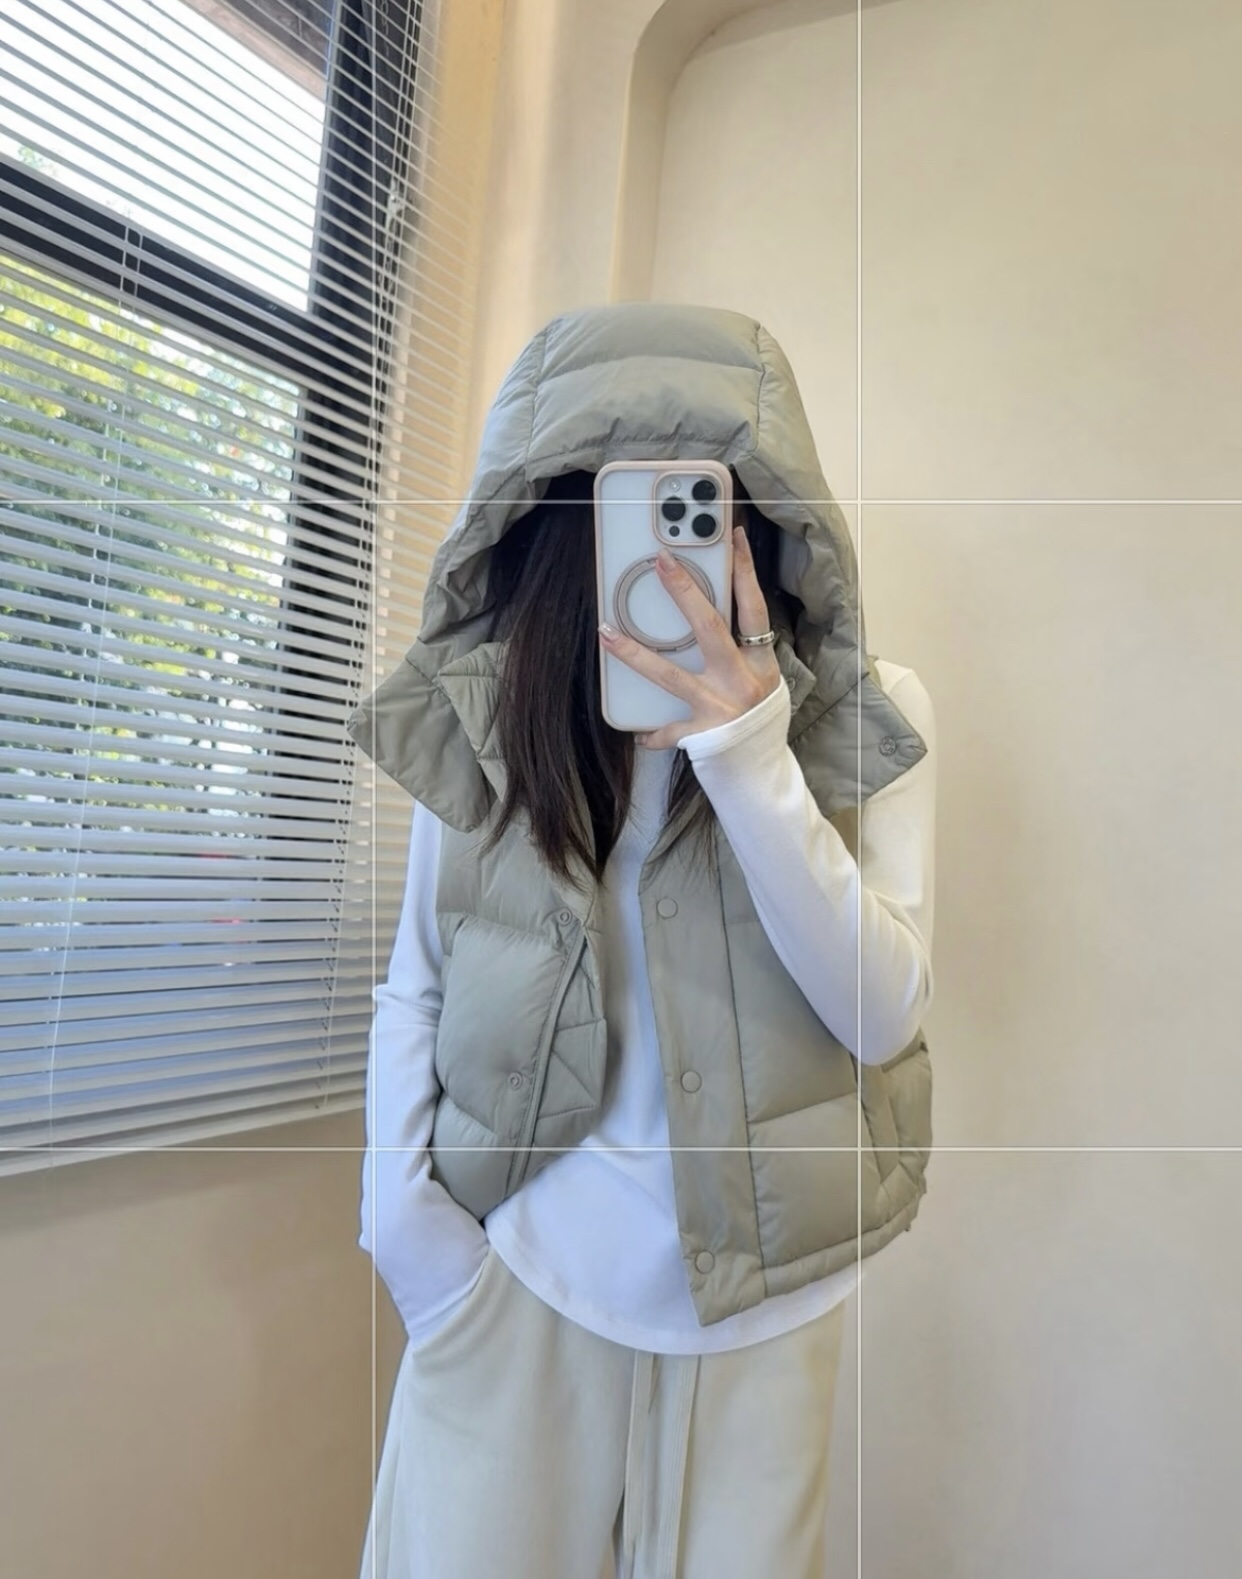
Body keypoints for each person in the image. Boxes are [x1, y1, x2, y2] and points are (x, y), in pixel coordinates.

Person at [349, 302, 937, 1579]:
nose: (674, 542)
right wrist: (405, 1230)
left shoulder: (873, 712)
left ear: (767, 513)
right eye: (630, 505)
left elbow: (884, 1013)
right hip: (513, 1271)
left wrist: (748, 750)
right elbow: (421, 977)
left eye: (708, 503)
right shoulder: (495, 703)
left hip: (770, 1304)